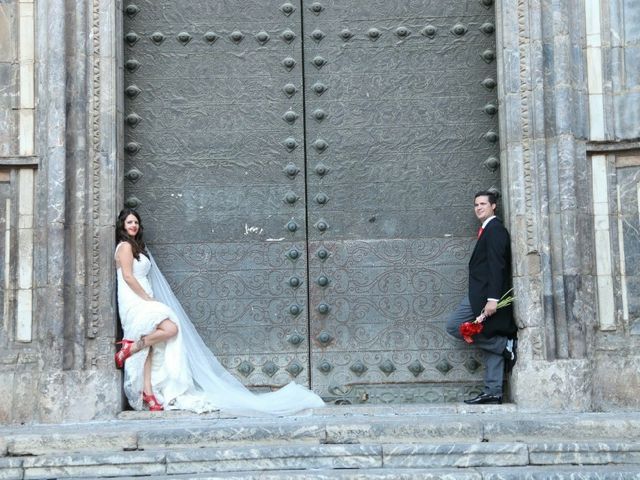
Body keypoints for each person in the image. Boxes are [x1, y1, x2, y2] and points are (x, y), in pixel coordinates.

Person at [114, 208, 325, 414]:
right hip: (135, 299)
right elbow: (128, 277)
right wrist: (147, 299)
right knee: (170, 329)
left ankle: (145, 384)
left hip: (144, 297)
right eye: (129, 222)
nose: (133, 225)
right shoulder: (124, 246)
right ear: (122, 226)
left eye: (135, 222)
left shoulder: (137, 247)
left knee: (152, 344)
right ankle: (132, 352)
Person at [445, 191, 517, 404]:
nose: (478, 207)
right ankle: (493, 391)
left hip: (485, 297)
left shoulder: (495, 230)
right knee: (490, 332)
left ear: (494, 206)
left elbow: (497, 265)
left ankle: (503, 346)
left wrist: (493, 298)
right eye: (476, 204)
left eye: (483, 203)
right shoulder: (489, 230)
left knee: (454, 325)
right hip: (484, 296)